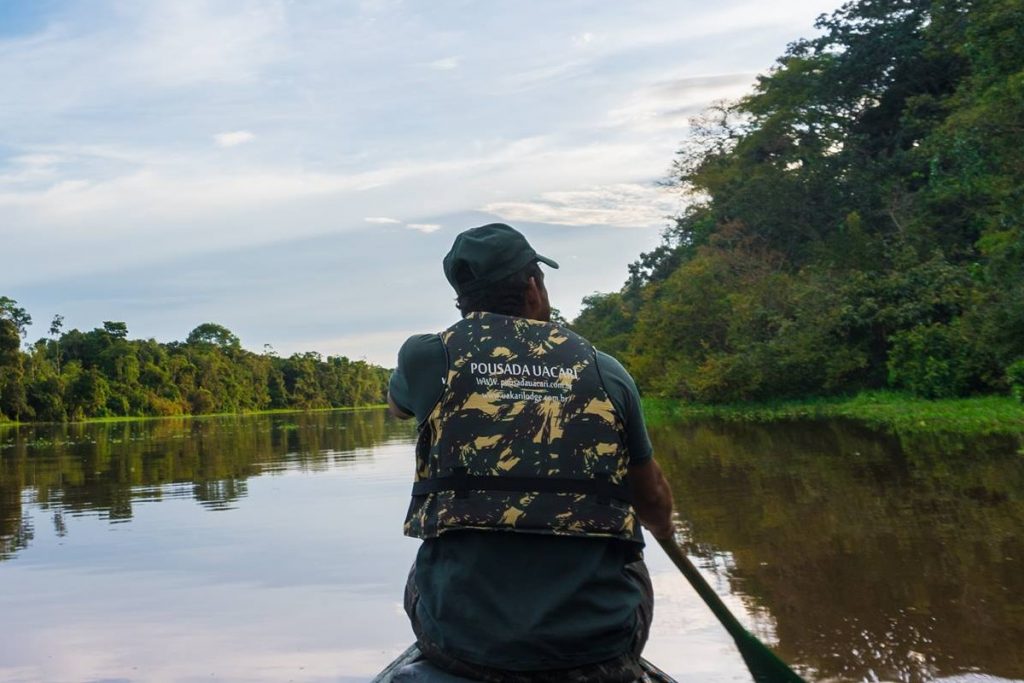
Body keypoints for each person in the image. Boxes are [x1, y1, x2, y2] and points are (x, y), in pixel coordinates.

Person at [388, 223, 675, 682]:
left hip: (462, 642)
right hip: (598, 644)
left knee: (432, 557)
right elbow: (653, 497)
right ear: (533, 288)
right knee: (630, 556)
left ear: (463, 301)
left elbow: (398, 407)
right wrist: (664, 529)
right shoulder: (605, 370)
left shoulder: (426, 357)